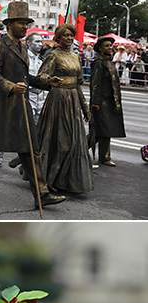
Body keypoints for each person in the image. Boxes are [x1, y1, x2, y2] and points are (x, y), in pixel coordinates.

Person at [0, 1, 66, 208]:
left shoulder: (22, 47)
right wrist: (11, 87)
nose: (25, 27)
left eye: (26, 23)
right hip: (0, 106)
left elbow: (26, 77)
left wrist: (46, 81)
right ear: (10, 24)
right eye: (22, 23)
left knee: (30, 148)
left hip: (20, 106)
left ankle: (42, 193)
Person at [36, 22, 94, 195]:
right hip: (58, 101)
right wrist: (49, 78)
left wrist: (85, 108)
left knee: (74, 144)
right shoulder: (53, 55)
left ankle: (63, 180)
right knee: (61, 143)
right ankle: (47, 180)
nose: (69, 38)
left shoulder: (76, 57)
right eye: (66, 35)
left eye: (71, 35)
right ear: (58, 38)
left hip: (73, 102)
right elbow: (41, 76)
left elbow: (78, 85)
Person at [90, 36, 126, 166]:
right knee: (100, 131)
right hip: (101, 103)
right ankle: (80, 151)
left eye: (110, 46)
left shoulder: (109, 62)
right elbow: (95, 84)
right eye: (106, 46)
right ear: (99, 48)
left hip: (110, 102)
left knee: (106, 131)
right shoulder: (99, 63)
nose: (110, 48)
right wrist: (95, 102)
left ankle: (104, 156)